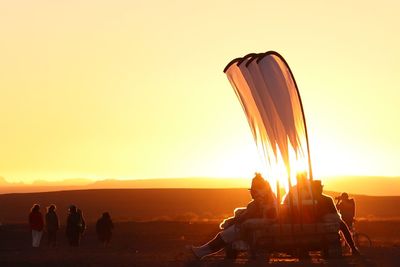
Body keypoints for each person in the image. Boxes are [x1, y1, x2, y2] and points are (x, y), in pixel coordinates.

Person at [191, 173, 277, 259]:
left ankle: (201, 252)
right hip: (257, 218)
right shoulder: (266, 194)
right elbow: (252, 211)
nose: (252, 192)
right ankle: (202, 251)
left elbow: (253, 212)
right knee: (225, 234)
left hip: (257, 220)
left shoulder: (262, 196)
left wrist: (236, 220)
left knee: (225, 235)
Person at [311, 181, 360, 255]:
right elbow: (335, 211)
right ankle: (353, 248)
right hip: (332, 219)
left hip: (325, 220)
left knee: (344, 227)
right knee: (344, 228)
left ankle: (352, 248)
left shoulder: (316, 199)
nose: (321, 189)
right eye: (320, 188)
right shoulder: (327, 199)